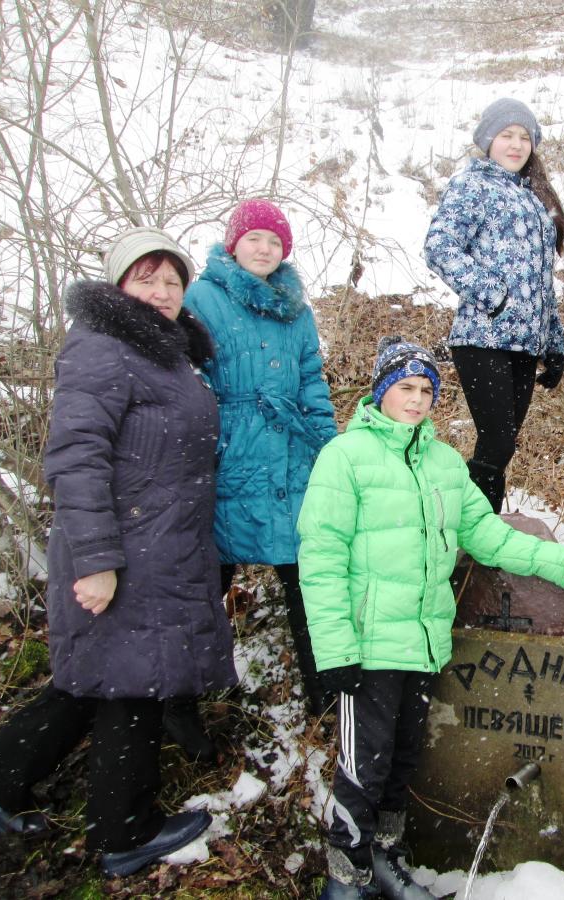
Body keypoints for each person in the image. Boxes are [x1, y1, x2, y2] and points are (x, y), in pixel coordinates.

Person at [0, 228, 233, 876]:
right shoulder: (104, 349)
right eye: (147, 278)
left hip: (159, 546)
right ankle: (124, 832)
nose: (162, 291)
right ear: (118, 285)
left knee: (88, 683)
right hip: (121, 551)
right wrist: (98, 560)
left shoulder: (166, 356)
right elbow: (77, 458)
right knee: (134, 685)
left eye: (172, 280)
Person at [297, 336, 564, 899]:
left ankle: (385, 861)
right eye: (405, 388)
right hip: (366, 646)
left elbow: (484, 535)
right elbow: (320, 560)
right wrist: (335, 652)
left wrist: (561, 565)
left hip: (423, 641)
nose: (416, 400)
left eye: (425, 391)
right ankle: (345, 878)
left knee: (404, 760)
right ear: (381, 392)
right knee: (362, 767)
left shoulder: (442, 462)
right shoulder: (344, 458)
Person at [182, 199, 338, 743]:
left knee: (307, 576)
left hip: (291, 454)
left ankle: (327, 700)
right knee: (207, 584)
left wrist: (327, 446)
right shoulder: (202, 296)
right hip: (230, 454)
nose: (265, 249)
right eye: (255, 239)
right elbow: (188, 378)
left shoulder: (297, 307)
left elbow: (311, 380)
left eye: (275, 241)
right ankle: (193, 705)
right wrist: (210, 442)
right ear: (233, 243)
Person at [424, 97, 564, 513]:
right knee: (498, 439)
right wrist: (494, 295)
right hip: (482, 336)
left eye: (525, 137)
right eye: (507, 135)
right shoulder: (473, 185)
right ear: (488, 139)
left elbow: (542, 283)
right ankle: (465, 529)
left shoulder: (534, 199)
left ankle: (477, 531)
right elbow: (439, 247)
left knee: (502, 445)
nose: (516, 144)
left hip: (525, 344)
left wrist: (554, 342)